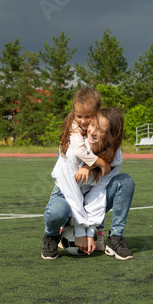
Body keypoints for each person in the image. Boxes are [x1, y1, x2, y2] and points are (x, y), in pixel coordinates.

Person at [42, 108, 135, 260]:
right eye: (91, 125)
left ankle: (115, 239)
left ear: (112, 135)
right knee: (57, 211)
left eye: (101, 130)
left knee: (125, 182)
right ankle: (51, 236)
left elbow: (98, 192)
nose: (92, 132)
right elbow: (71, 192)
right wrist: (80, 231)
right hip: (66, 194)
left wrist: (91, 231)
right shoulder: (74, 149)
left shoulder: (115, 155)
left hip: (89, 200)